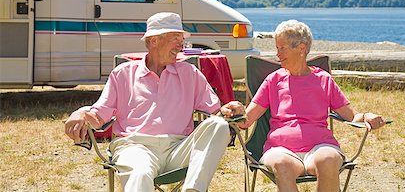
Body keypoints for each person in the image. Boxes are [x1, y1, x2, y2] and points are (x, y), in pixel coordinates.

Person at [65, 12, 245, 192]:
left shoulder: (190, 73)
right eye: (175, 38)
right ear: (153, 41)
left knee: (219, 126)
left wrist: (228, 110)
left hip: (178, 148)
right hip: (135, 146)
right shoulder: (123, 74)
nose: (180, 45)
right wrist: (80, 113)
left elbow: (215, 113)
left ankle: (193, 190)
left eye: (181, 39)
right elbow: (99, 117)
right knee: (140, 173)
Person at [238, 20, 387, 192]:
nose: (277, 54)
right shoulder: (273, 80)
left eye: (282, 48)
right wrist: (234, 111)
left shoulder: (323, 79)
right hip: (281, 149)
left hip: (320, 147)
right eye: (277, 48)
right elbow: (246, 120)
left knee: (329, 160)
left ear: (301, 48)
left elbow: (352, 116)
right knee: (281, 164)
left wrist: (367, 116)